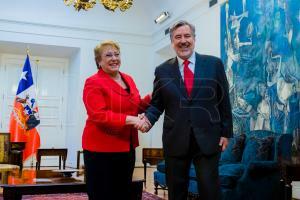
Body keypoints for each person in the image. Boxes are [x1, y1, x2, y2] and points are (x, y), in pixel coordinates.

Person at [138, 21, 233, 200]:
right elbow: (157, 103)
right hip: (175, 138)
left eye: (187, 36)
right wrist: (148, 120)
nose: (183, 41)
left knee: (210, 189)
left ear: (194, 39)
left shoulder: (214, 64)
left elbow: (224, 101)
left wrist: (226, 132)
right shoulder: (162, 70)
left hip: (208, 138)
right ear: (172, 42)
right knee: (176, 190)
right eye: (178, 37)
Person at [82, 40, 151, 200]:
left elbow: (135, 106)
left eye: (117, 54)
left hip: (127, 146)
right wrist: (133, 120)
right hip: (101, 148)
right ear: (99, 61)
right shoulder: (93, 82)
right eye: (108, 55)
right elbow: (98, 115)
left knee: (123, 192)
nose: (114, 58)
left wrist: (151, 98)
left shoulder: (128, 78)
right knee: (102, 194)